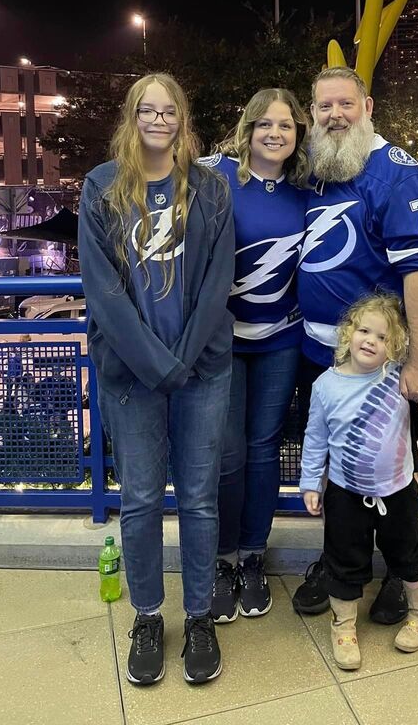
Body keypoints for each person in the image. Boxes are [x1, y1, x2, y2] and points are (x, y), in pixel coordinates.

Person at [78, 73, 235, 688]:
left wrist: (183, 359)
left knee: (198, 499)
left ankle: (199, 616)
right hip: (130, 375)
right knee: (140, 499)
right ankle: (148, 616)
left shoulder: (210, 189)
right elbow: (103, 291)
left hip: (201, 369)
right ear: (132, 116)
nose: (159, 119)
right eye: (148, 110)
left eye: (169, 111)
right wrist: (155, 363)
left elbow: (217, 284)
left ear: (182, 119)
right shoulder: (101, 188)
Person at [293, 66, 418, 623]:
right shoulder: (317, 169)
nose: (335, 116)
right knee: (337, 470)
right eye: (324, 107)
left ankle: (404, 572)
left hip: (383, 364)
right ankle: (341, 567)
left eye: (345, 105)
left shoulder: (398, 176)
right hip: (320, 358)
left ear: (369, 107)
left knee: (394, 471)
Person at [199, 88, 310, 623]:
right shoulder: (213, 175)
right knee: (228, 452)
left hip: (280, 340)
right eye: (264, 123)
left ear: (298, 133)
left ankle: (252, 558)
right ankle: (221, 559)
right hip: (223, 341)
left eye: (286, 125)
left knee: (265, 449)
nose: (275, 133)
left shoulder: (308, 189)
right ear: (247, 129)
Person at [299, 294, 418, 670]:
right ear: (348, 334)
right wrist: (308, 483)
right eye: (364, 330)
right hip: (343, 493)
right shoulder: (325, 386)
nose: (371, 340)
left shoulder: (399, 377)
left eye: (383, 337)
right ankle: (344, 626)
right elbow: (315, 438)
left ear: (395, 346)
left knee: (409, 554)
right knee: (343, 559)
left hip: (398, 491)